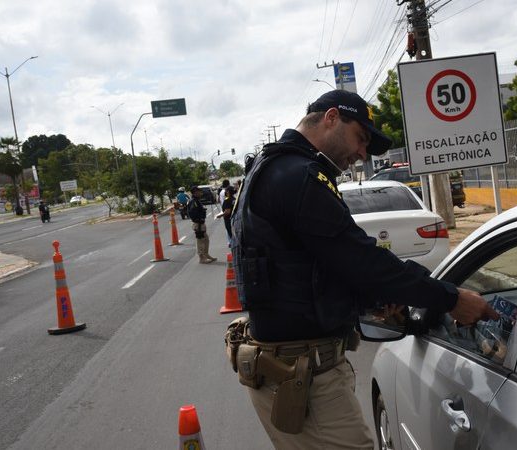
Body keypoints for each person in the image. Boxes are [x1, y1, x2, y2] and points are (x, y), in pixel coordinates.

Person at [229, 89, 498, 449]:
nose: (360, 154)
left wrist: (361, 299)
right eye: (361, 138)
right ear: (331, 118)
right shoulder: (299, 178)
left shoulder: (271, 169)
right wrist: (451, 299)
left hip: (284, 367)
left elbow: (304, 265)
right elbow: (365, 262)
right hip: (303, 377)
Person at [186, 185, 216, 264]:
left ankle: (206, 255)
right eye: (199, 191)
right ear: (195, 193)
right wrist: (199, 219)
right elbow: (192, 213)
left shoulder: (196, 200)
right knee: (200, 240)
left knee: (206, 240)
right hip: (198, 224)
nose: (201, 193)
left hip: (201, 223)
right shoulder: (194, 201)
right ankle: (202, 258)